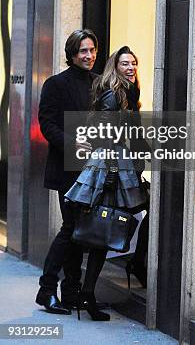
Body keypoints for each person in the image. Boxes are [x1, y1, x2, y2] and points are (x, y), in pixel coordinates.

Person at [64, 46, 149, 321]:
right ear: (116, 67)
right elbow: (105, 136)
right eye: (125, 63)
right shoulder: (114, 95)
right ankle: (86, 293)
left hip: (115, 164)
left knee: (104, 230)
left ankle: (89, 290)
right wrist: (114, 172)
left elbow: (133, 135)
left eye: (134, 63)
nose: (131, 67)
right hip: (110, 166)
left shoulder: (128, 93)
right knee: (102, 230)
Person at [35, 29, 98, 314]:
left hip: (94, 171)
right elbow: (46, 124)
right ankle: (46, 289)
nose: (89, 56)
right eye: (83, 51)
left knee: (81, 232)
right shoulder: (56, 84)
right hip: (67, 170)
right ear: (72, 54)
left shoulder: (99, 84)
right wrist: (71, 143)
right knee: (71, 227)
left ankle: (70, 291)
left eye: (92, 50)